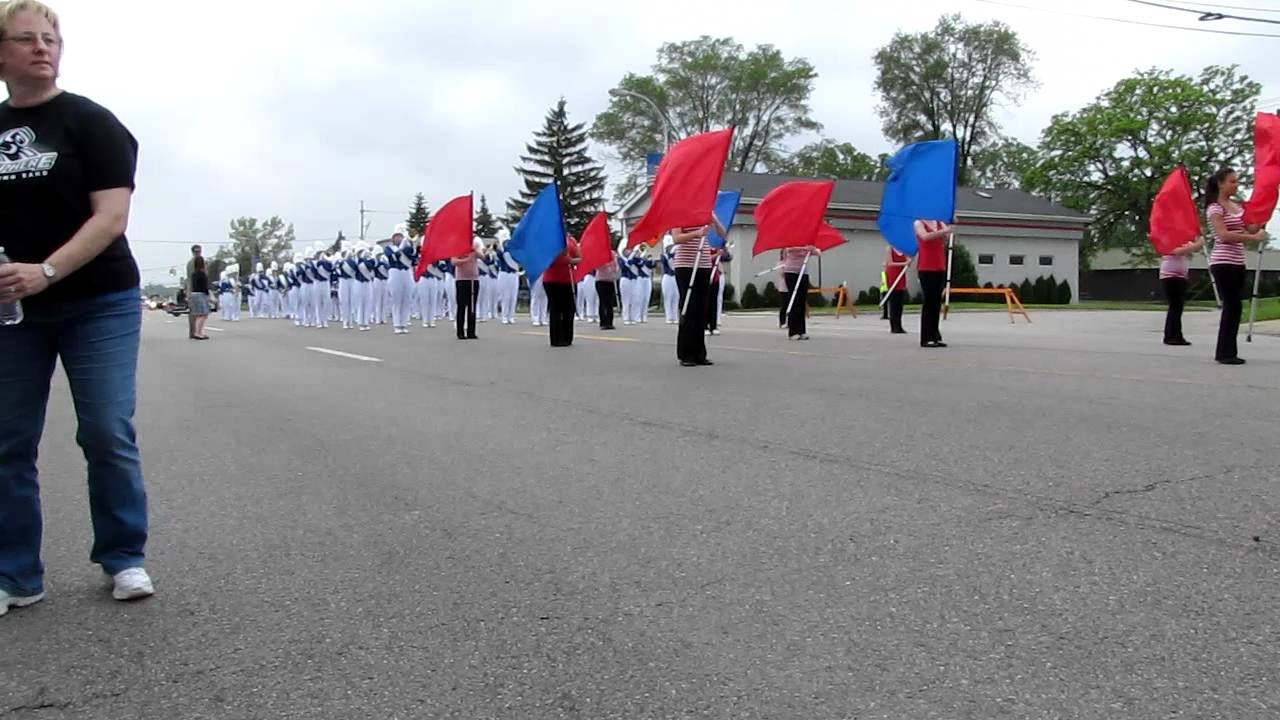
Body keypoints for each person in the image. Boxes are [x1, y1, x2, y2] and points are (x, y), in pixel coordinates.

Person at [0, 0, 154, 615]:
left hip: (99, 301)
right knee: (9, 439)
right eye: (26, 38)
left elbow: (111, 216)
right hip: (15, 310)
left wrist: (48, 271)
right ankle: (16, 574)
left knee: (105, 430)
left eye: (51, 38)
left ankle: (124, 556)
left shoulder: (90, 122)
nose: (43, 48)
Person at [1205, 167, 1266, 365]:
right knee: (1232, 305)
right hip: (1223, 262)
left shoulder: (1237, 207)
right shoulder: (1215, 208)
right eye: (1232, 181)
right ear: (1221, 184)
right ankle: (1224, 352)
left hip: (1238, 262)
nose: (1236, 185)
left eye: (1237, 181)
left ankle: (1228, 350)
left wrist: (1261, 219)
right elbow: (1223, 235)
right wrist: (1252, 237)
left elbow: (1250, 227)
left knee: (1236, 307)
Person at [672, 219, 726, 366]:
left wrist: (713, 219)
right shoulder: (681, 215)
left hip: (703, 265)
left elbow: (722, 234)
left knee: (701, 310)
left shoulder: (705, 216)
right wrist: (697, 233)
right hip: (685, 265)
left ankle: (699, 353)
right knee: (689, 308)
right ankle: (686, 353)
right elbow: (676, 238)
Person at [1160, 233, 1203, 346]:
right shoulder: (1167, 238)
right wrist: (1197, 244)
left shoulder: (1183, 240)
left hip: (1181, 276)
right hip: (1170, 276)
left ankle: (1176, 334)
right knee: (1175, 305)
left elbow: (1195, 249)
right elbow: (1177, 251)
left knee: (1178, 306)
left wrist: (1198, 238)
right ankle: (1171, 336)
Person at [915, 219, 950, 348]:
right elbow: (924, 237)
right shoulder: (919, 223)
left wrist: (948, 231)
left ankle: (935, 335)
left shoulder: (940, 223)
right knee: (929, 302)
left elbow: (946, 238)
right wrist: (943, 231)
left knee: (936, 303)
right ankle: (926, 337)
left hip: (939, 265)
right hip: (926, 267)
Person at [543, 235, 581, 347]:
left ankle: (567, 338)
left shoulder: (571, 240)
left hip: (568, 280)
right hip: (552, 280)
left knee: (569, 309)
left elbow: (579, 258)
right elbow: (546, 258)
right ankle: (556, 339)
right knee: (556, 308)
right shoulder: (550, 239)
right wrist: (561, 255)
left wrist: (571, 260)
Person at [781, 245, 817, 341]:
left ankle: (802, 331)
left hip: (803, 273)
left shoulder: (807, 244)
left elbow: (818, 252)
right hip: (791, 273)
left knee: (802, 301)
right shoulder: (792, 242)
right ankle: (793, 331)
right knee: (794, 301)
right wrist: (804, 248)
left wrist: (812, 249)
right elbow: (789, 249)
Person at [453, 239, 481, 340]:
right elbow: (454, 261)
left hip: (473, 279)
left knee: (472, 307)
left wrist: (474, 250)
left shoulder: (476, 244)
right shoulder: (457, 245)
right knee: (461, 306)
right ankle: (460, 332)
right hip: (461, 279)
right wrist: (465, 260)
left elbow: (482, 256)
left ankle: (471, 332)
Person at [885, 245, 910, 334]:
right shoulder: (889, 249)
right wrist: (904, 264)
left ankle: (899, 325)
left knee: (900, 302)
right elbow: (890, 263)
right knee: (894, 302)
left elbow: (908, 261)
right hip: (893, 276)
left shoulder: (903, 249)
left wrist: (908, 261)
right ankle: (894, 326)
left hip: (901, 276)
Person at [595, 249, 620, 330]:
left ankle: (609, 322)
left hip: (610, 280)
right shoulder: (599, 253)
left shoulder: (612, 253)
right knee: (603, 301)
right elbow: (596, 267)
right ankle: (603, 322)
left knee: (609, 302)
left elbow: (616, 266)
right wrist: (605, 263)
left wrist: (615, 269)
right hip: (601, 280)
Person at [189, 256, 211, 339]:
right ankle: (198, 332)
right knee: (203, 314)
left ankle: (198, 332)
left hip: (194, 294)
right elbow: (204, 286)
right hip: (201, 294)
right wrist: (208, 295)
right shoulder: (202, 274)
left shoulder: (194, 274)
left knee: (199, 315)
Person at [185, 243, 201, 338]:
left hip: (197, 288)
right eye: (196, 251)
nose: (198, 253)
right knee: (194, 311)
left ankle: (195, 331)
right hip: (194, 288)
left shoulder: (199, 261)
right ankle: (193, 332)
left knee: (198, 311)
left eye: (199, 251)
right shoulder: (192, 263)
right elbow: (190, 277)